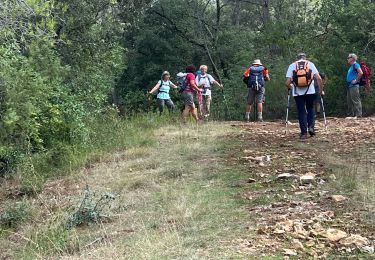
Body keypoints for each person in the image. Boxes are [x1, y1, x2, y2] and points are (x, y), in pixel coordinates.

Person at [285, 53, 323, 140]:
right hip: (310, 91)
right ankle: (311, 127)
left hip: (297, 93)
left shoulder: (292, 65)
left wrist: (291, 87)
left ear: (297, 58)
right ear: (305, 58)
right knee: (310, 108)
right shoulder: (310, 64)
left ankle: (303, 133)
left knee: (301, 111)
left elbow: (287, 82)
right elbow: (319, 78)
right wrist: (320, 91)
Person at [346, 53, 363, 119]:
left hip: (354, 85)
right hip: (350, 85)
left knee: (356, 100)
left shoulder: (356, 64)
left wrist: (356, 80)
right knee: (350, 100)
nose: (347, 58)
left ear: (352, 58)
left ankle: (358, 115)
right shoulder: (351, 66)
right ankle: (352, 115)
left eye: (348, 57)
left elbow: (361, 72)